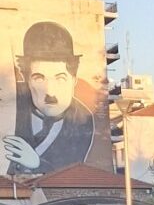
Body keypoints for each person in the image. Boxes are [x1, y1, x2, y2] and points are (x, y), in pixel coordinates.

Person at [4, 22, 95, 175]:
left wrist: (37, 164)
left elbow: (70, 174)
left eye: (60, 79)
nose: (50, 92)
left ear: (74, 79)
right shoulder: (9, 104)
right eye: (39, 78)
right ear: (26, 80)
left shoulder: (82, 120)